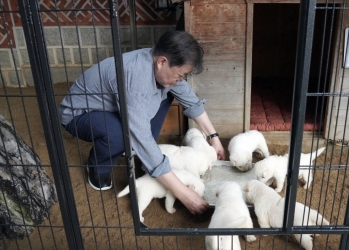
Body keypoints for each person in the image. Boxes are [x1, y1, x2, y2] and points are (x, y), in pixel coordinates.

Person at [58, 30, 225, 215]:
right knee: (119, 135)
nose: (181, 80)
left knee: (168, 91)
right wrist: (184, 193)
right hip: (81, 113)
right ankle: (98, 170)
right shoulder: (135, 80)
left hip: (113, 107)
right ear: (162, 61)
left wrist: (214, 138)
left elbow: (190, 100)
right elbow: (141, 136)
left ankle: (140, 152)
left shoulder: (160, 64)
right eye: (180, 75)